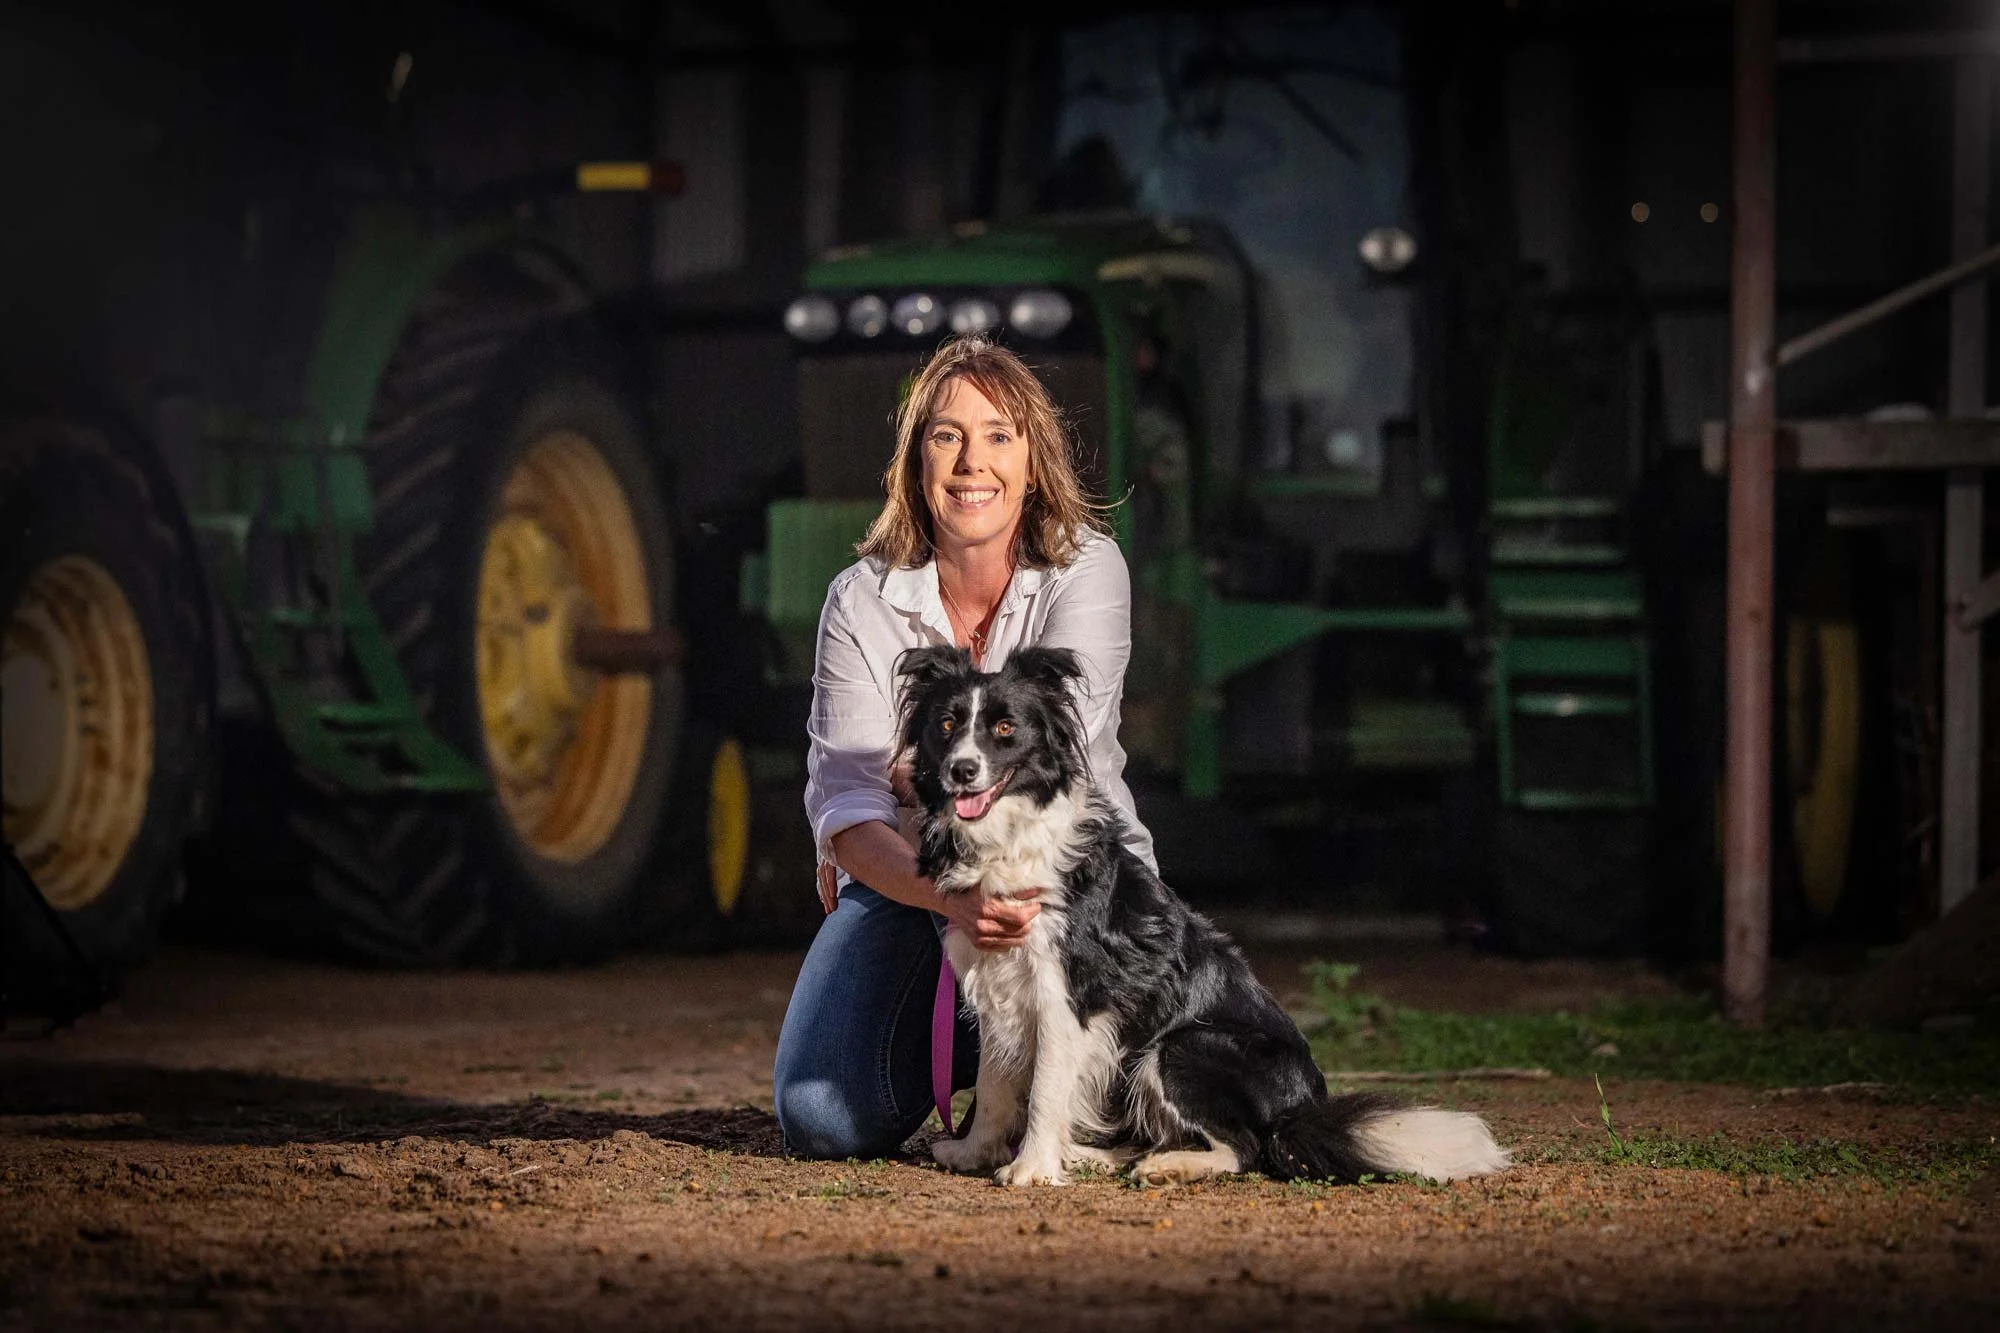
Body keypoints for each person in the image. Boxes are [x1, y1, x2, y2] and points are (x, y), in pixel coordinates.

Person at [771, 335, 1158, 1159]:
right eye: (946, 435)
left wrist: (906, 775)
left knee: (1134, 1102)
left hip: (1066, 880)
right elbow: (849, 814)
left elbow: (1055, 770)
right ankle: (969, 1066)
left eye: (998, 436)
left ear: (1032, 461)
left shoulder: (1087, 569)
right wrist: (948, 895)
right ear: (916, 463)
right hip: (915, 882)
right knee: (820, 1116)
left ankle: (1031, 1084)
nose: (971, 462)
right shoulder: (860, 599)